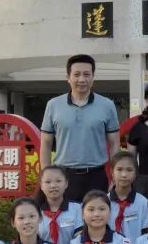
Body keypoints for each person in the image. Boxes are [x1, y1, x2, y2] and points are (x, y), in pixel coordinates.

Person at [40, 54, 121, 202]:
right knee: (65, 215)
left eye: (86, 74)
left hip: (96, 176)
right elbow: (45, 143)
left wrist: (115, 178)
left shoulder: (107, 105)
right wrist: (46, 177)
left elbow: (114, 143)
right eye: (76, 74)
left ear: (93, 77)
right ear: (68, 77)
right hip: (63, 177)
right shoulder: (53, 105)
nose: (82, 79)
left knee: (97, 215)